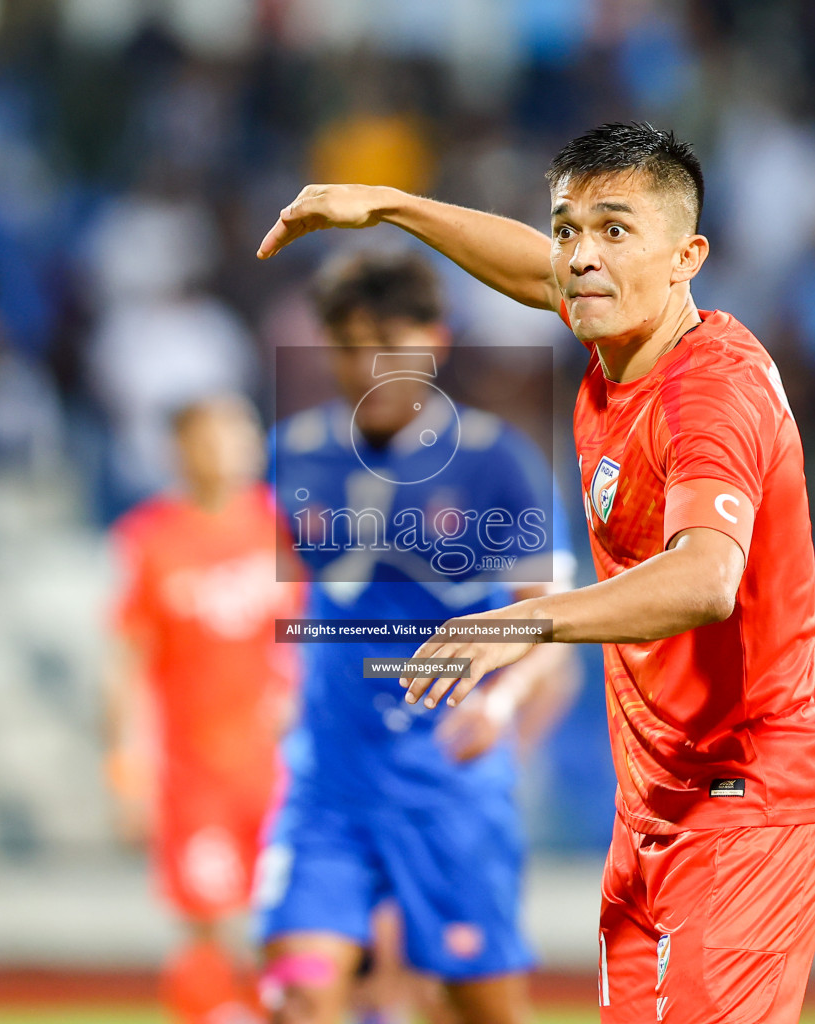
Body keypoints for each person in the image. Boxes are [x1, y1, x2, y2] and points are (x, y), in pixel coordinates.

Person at [258, 121, 815, 1024]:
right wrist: (390, 204)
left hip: (747, 800)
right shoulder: (623, 348)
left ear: (687, 255)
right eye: (568, 228)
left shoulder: (709, 394)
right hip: (659, 797)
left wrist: (511, 624)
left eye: (614, 231)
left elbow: (704, 581)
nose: (579, 256)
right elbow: (531, 269)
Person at [258, 249, 579, 1024]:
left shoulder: (496, 463)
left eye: (386, 347)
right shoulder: (295, 454)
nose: (365, 368)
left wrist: (503, 710)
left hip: (447, 788)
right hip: (329, 786)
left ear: (435, 342)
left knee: (480, 1010)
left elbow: (556, 626)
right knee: (301, 994)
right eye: (346, 347)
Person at [106, 395, 303, 1024]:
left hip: (285, 767)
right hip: (196, 773)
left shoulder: (288, 527)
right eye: (212, 436)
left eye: (239, 433)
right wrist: (125, 771)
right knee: (211, 924)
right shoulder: (150, 539)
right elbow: (125, 665)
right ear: (181, 450)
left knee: (293, 925)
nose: (230, 449)